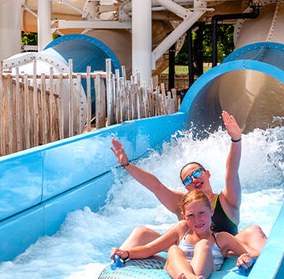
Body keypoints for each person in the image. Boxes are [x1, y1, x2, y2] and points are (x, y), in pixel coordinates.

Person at [109, 109, 268, 259]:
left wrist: (236, 139)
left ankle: (269, 275)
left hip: (226, 252)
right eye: (188, 179)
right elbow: (156, 187)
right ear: (186, 187)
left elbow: (231, 172)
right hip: (189, 253)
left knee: (254, 231)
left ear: (207, 174)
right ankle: (114, 270)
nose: (194, 179)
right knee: (140, 233)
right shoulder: (183, 203)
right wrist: (126, 165)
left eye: (197, 173)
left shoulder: (226, 200)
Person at [111, 190, 254, 279]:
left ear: (211, 212)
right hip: (180, 272)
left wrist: (244, 256)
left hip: (203, 274)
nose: (197, 220)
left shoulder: (222, 238)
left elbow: (252, 252)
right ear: (184, 216)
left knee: (203, 244)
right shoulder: (181, 229)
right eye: (191, 215)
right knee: (173, 249)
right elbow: (150, 249)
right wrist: (127, 253)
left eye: (202, 213)